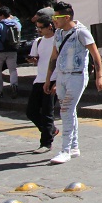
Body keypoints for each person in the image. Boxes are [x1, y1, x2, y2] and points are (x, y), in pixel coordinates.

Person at [44, 1, 102, 164]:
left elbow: (95, 54)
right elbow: (54, 56)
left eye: (57, 17)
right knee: (69, 111)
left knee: (65, 110)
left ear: (67, 17)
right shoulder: (58, 33)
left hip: (77, 76)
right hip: (62, 76)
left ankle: (65, 150)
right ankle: (74, 146)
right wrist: (48, 78)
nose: (54, 20)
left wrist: (99, 76)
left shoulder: (81, 32)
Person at [27, 15, 59, 153]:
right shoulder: (38, 41)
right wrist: (33, 60)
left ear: (49, 27)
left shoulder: (58, 39)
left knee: (47, 111)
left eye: (41, 28)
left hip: (53, 78)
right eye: (37, 27)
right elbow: (36, 57)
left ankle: (46, 143)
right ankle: (51, 130)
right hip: (39, 79)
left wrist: (58, 82)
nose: (38, 30)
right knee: (31, 111)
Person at [0, 6, 21, 99]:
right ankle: (14, 87)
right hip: (13, 50)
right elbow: (16, 19)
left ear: (2, 15)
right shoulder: (17, 24)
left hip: (0, 51)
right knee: (13, 70)